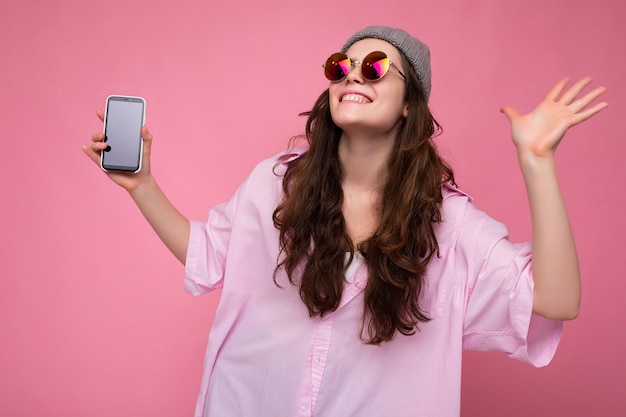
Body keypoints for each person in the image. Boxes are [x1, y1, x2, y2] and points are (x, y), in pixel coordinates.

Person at [83, 26, 607, 417]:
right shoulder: (275, 182)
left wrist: (537, 161)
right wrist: (141, 185)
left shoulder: (450, 224)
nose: (352, 74)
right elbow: (207, 254)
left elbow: (557, 300)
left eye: (376, 67)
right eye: (340, 66)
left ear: (409, 106)